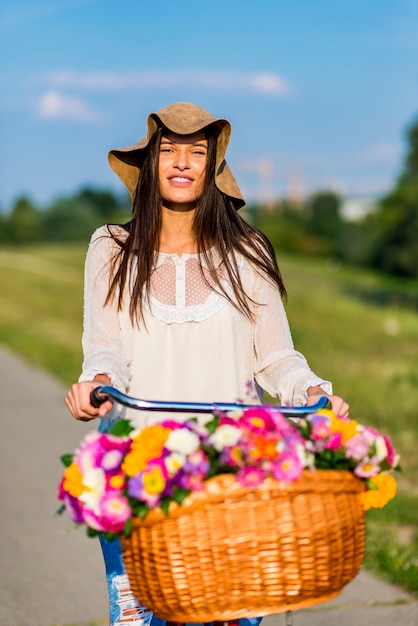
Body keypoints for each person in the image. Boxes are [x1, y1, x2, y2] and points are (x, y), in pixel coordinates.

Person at [65, 101, 349, 626]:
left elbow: (278, 356)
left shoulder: (248, 252)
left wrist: (311, 392)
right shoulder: (111, 247)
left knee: (233, 617)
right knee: (138, 619)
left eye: (196, 152)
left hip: (233, 476)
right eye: (168, 151)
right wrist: (99, 382)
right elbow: (104, 344)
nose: (180, 162)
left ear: (212, 168)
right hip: (139, 473)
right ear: (149, 166)